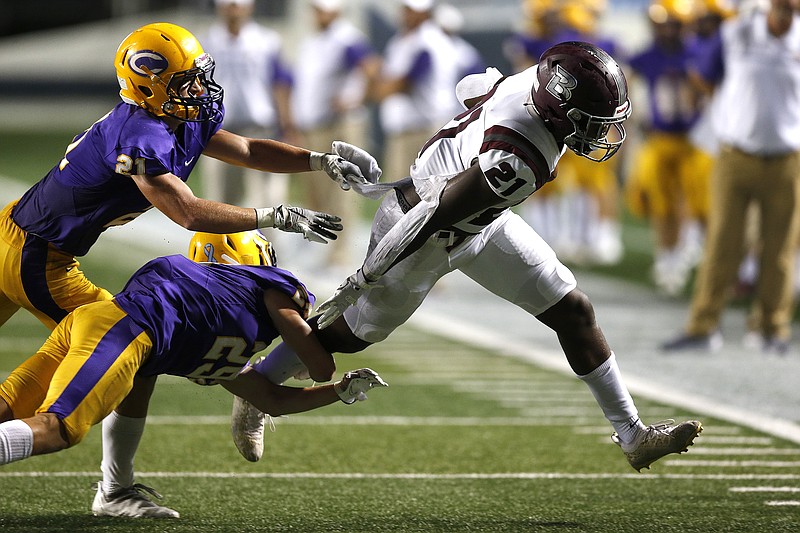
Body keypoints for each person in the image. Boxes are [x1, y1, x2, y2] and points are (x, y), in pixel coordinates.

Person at [234, 41, 704, 472]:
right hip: (420, 224)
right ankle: (258, 389)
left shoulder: (533, 84)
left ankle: (633, 435)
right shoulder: (520, 156)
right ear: (560, 113)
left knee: (573, 309)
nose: (600, 134)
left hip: (478, 218)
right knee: (351, 333)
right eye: (590, 122)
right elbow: (435, 215)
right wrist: (365, 275)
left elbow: (472, 88)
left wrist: (468, 134)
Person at [0, 21, 375, 517]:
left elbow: (245, 149)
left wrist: (318, 161)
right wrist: (274, 215)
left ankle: (111, 485)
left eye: (198, 77)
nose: (198, 89)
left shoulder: (176, 116)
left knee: (111, 350)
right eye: (183, 82)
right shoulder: (137, 134)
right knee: (123, 353)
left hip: (20, 232)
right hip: (36, 257)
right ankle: (113, 489)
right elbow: (188, 213)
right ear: (148, 84)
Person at [0, 230, 389, 518]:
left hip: (101, 325)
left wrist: (339, 392)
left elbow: (270, 399)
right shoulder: (268, 285)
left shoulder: (202, 308)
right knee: (57, 428)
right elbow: (318, 364)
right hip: (124, 331)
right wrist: (323, 365)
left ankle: (116, 492)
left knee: (11, 406)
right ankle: (114, 492)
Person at [662, 0, 800, 354]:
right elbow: (703, 74)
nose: (787, 13)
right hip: (735, 153)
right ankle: (703, 325)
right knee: (722, 243)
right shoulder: (737, 31)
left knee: (779, 249)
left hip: (787, 158)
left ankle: (771, 327)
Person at [624, 0, 715, 295]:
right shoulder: (649, 55)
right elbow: (623, 79)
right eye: (660, 24)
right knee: (660, 203)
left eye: (670, 24)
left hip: (695, 140)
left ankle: (701, 254)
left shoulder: (698, 53)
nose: (664, 30)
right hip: (661, 139)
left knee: (702, 204)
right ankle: (668, 259)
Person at [291, 0, 382, 267]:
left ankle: (340, 253)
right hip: (315, 124)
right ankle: (324, 248)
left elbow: (372, 68)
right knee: (317, 191)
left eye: (323, 10)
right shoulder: (314, 41)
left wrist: (356, 99)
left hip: (338, 124)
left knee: (342, 187)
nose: (318, 14)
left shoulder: (346, 38)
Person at [202, 0, 298, 208]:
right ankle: (222, 242)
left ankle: (269, 243)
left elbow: (280, 84)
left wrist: (288, 126)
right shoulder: (206, 42)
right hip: (221, 130)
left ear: (249, 7)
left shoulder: (267, 40)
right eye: (229, 5)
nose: (234, 9)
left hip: (261, 129)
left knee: (269, 203)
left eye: (238, 4)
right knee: (221, 204)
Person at [372, 0, 459, 185]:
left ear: (425, 13)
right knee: (400, 195)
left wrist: (379, 89)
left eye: (412, 11)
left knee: (417, 194)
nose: (406, 14)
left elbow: (408, 81)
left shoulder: (428, 40)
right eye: (406, 9)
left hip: (422, 130)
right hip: (405, 129)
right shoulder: (402, 40)